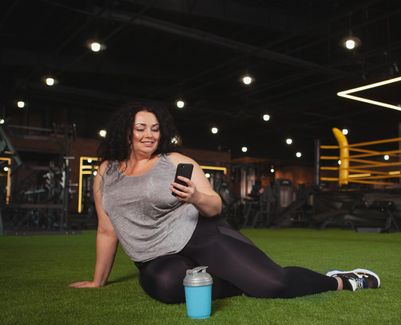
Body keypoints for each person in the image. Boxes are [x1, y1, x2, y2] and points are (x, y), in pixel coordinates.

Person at [69, 102, 380, 304]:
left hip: (200, 236)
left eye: (155, 128)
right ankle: (241, 280)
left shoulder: (174, 160)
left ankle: (340, 280)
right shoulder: (106, 172)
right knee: (164, 288)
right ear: (126, 132)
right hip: (155, 258)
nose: (149, 135)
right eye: (141, 128)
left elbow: (215, 206)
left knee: (273, 285)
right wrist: (98, 281)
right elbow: (107, 230)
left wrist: (195, 197)